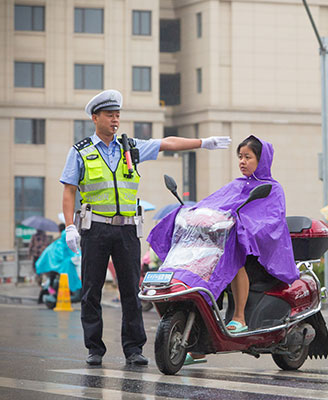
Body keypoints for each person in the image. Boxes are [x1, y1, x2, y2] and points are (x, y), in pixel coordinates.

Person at [60, 89, 231, 366]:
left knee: (131, 291)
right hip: (96, 229)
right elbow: (69, 191)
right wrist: (70, 227)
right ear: (95, 118)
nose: (115, 120)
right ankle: (95, 348)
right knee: (91, 291)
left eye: (118, 115)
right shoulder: (81, 151)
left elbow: (167, 142)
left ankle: (134, 350)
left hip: (127, 230)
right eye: (109, 115)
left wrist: (204, 142)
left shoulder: (131, 148)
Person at [148, 135, 298, 365]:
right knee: (206, 263)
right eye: (240, 156)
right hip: (230, 244)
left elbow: (270, 223)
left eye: (248, 157)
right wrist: (192, 212)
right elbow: (211, 205)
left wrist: (244, 226)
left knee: (232, 260)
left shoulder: (271, 189)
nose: (242, 161)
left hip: (258, 254)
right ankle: (198, 343)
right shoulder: (236, 185)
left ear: (262, 159)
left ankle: (239, 318)